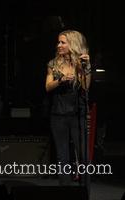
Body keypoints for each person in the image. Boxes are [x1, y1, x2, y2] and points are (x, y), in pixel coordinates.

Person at [45, 30, 92, 186]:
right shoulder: (53, 63)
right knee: (63, 156)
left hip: (77, 114)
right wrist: (62, 80)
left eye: (63, 42)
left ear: (72, 44)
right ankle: (66, 192)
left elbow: (85, 88)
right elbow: (48, 86)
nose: (59, 45)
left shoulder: (81, 64)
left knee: (83, 155)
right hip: (58, 114)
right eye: (58, 42)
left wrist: (87, 68)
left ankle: (83, 192)